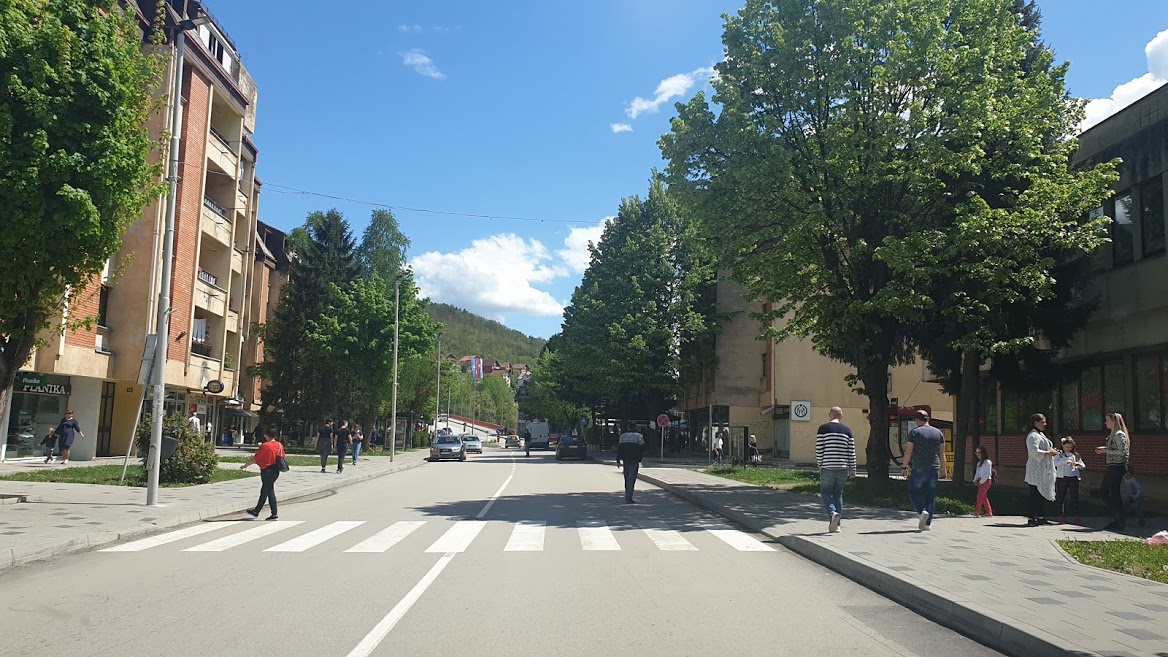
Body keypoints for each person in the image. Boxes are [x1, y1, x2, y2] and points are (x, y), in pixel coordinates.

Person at [901, 409, 946, 531]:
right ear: (928, 419)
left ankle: (922, 511)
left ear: (917, 420)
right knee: (930, 496)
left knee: (913, 491)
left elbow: (909, 451)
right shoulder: (938, 433)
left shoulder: (915, 432)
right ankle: (927, 524)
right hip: (934, 468)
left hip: (919, 467)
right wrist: (943, 469)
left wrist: (904, 467)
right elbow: (941, 453)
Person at [815, 406, 856, 533]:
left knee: (826, 493)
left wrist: (820, 464)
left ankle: (833, 513)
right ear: (841, 416)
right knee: (838, 494)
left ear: (830, 415)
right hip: (843, 468)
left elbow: (819, 449)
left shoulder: (823, 429)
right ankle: (837, 525)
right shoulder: (847, 431)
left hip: (827, 466)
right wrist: (853, 469)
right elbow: (851, 452)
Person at [240, 425, 285, 521]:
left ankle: (274, 513)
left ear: (267, 435)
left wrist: (245, 465)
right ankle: (256, 511)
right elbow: (282, 457)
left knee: (269, 491)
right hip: (275, 470)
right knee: (265, 490)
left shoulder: (265, 446)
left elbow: (255, 458)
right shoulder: (279, 445)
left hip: (267, 471)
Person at [1095, 412, 1130, 531]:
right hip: (1113, 467)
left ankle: (1120, 519)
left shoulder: (1119, 434)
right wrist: (1105, 449)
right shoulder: (1113, 434)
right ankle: (1118, 518)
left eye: (1107, 420)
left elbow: (1123, 453)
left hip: (1117, 467)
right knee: (1108, 493)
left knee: (1108, 493)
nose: (1105, 423)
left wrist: (1106, 451)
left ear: (1114, 421)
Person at [1024, 413, 1058, 527]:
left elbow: (1046, 448)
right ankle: (1032, 518)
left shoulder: (1041, 434)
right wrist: (1048, 453)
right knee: (1035, 494)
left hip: (1043, 468)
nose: (1045, 424)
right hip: (1036, 469)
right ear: (1036, 423)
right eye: (1043, 422)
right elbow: (1034, 451)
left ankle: (1041, 517)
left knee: (1041, 494)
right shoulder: (1033, 436)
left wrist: (1052, 451)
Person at [1053, 437, 1085, 525]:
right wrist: (1064, 462)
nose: (1068, 449)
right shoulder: (1059, 455)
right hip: (1062, 477)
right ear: (1062, 446)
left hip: (1073, 477)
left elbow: (1083, 466)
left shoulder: (1075, 455)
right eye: (1067, 447)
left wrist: (1076, 464)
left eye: (1070, 447)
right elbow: (1054, 463)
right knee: (1061, 497)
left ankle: (1076, 516)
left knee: (1075, 497)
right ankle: (1061, 515)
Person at [616, 427, 646, 504]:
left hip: (626, 459)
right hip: (635, 459)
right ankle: (628, 497)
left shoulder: (623, 436)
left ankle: (627, 494)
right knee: (631, 478)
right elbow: (643, 447)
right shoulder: (638, 436)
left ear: (628, 427)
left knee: (627, 477)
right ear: (635, 427)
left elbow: (619, 448)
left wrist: (618, 460)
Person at [972, 445, 994, 518]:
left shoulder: (988, 462)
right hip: (980, 480)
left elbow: (987, 474)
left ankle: (977, 511)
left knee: (979, 496)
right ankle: (989, 512)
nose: (978, 455)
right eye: (977, 453)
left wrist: (981, 482)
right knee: (984, 497)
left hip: (986, 481)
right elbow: (977, 473)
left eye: (979, 453)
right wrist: (975, 480)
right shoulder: (979, 463)